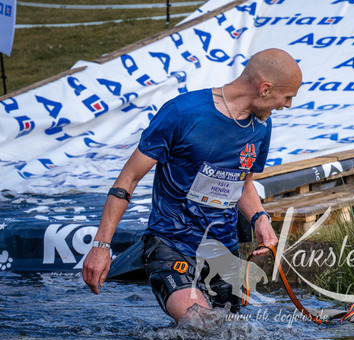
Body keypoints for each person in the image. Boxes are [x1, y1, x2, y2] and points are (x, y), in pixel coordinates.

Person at [82, 48, 302, 322]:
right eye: (287, 97)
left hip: (224, 254)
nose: (287, 105)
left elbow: (243, 184)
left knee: (228, 338)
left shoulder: (262, 127)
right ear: (265, 89)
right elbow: (128, 179)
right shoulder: (182, 112)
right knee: (199, 323)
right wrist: (102, 245)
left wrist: (259, 218)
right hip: (171, 244)